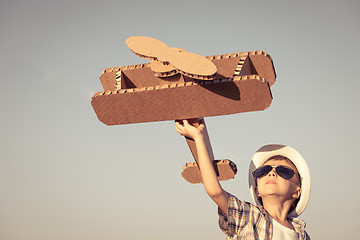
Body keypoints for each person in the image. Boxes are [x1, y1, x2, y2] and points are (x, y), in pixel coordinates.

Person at [175, 119, 311, 240]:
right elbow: (215, 191)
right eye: (263, 171)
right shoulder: (248, 216)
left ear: (297, 192)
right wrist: (198, 138)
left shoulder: (301, 234)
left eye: (283, 171)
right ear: (257, 191)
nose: (272, 173)